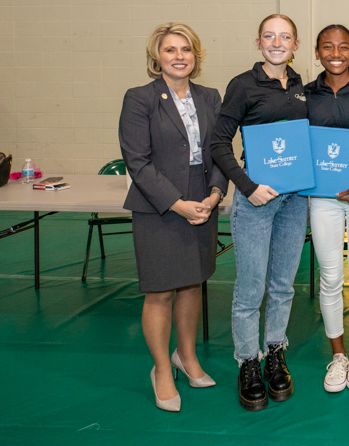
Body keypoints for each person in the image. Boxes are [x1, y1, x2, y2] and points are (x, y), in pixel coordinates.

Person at [119, 22, 228, 412]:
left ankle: (187, 356)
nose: (179, 56)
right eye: (170, 50)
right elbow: (138, 161)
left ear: (196, 56)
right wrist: (178, 203)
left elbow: (221, 149)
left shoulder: (211, 96)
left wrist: (215, 195)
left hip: (204, 204)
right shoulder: (140, 99)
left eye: (186, 49)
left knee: (192, 284)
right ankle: (162, 369)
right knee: (162, 290)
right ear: (156, 58)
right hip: (159, 209)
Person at [211, 14, 310, 412]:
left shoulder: (304, 86)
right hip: (256, 200)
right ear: (258, 42)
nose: (276, 42)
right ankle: (248, 362)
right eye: (269, 36)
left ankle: (274, 352)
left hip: (295, 199)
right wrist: (247, 187)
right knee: (251, 288)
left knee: (284, 285)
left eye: (284, 36)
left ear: (295, 44)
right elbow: (218, 144)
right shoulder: (242, 85)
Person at [303, 24, 349, 392]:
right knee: (331, 277)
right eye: (328, 47)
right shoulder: (305, 95)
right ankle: (337, 356)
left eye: (344, 46)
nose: (336, 53)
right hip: (323, 199)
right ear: (317, 52)